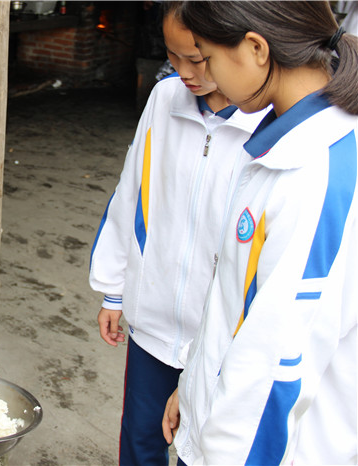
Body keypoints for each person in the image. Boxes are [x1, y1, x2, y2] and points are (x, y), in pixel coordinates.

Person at [162, 2, 358, 464]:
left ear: (256, 48)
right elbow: (241, 303)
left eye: (206, 57)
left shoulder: (317, 174)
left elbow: (276, 368)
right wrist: (193, 393)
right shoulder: (288, 143)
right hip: (220, 428)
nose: (203, 72)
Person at [88, 3, 268, 465]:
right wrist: (113, 290)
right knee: (141, 443)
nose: (185, 72)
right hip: (153, 320)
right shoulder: (164, 99)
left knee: (199, 450)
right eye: (174, 56)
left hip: (219, 337)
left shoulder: (267, 126)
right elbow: (132, 193)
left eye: (198, 58)